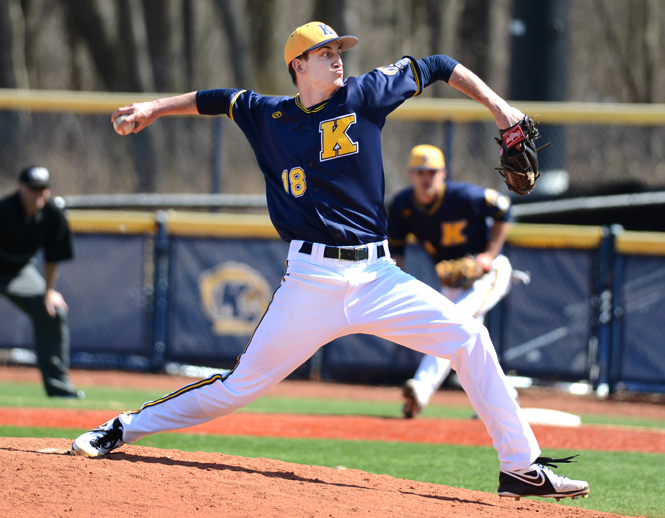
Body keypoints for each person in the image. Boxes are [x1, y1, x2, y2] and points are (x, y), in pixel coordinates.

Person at [72, 21, 589, 501]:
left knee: (469, 339)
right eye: (324, 52)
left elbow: (436, 63)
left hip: (378, 276)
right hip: (310, 281)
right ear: (298, 65)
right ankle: (119, 427)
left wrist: (502, 109)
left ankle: (519, 468)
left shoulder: (364, 95)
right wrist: (154, 108)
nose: (337, 58)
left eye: (338, 50)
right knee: (236, 389)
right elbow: (215, 99)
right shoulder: (268, 115)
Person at [388, 144, 520, 418]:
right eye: (420, 171)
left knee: (451, 326)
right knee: (466, 342)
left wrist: (488, 255)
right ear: (410, 174)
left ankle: (421, 388)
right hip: (452, 282)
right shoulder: (402, 206)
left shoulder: (463, 195)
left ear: (443, 173)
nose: (427, 177)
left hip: (489, 273)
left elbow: (503, 209)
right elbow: (396, 249)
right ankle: (505, 396)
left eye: (432, 172)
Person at [0, 166, 82, 398]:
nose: (40, 194)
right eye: (34, 188)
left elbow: (52, 258)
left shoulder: (53, 214)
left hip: (19, 272)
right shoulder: (4, 210)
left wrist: (48, 292)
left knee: (53, 310)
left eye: (44, 189)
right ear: (20, 187)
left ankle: (59, 388)